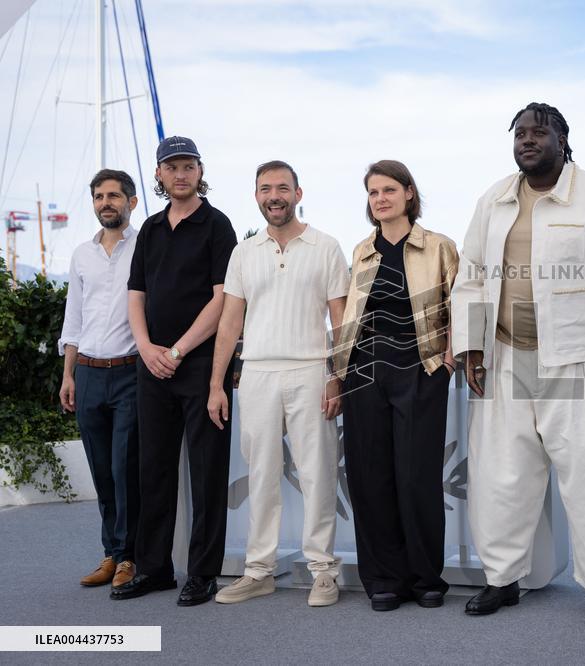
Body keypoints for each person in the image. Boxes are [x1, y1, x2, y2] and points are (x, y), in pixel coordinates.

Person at [450, 102, 585, 625]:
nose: (527, 140)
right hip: (507, 359)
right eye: (519, 133)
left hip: (582, 362)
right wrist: (471, 344)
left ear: (563, 141)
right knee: (502, 474)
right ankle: (502, 579)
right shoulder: (493, 200)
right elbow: (471, 275)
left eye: (539, 133)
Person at [208, 160, 349, 607]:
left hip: (311, 370)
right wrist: (216, 385)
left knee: (318, 474)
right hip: (257, 374)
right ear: (256, 197)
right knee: (262, 476)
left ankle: (323, 571)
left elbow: (341, 320)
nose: (275, 196)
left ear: (298, 193)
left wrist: (337, 377)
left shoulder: (326, 246)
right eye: (266, 189)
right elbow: (229, 323)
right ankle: (259, 571)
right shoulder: (243, 252)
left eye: (283, 188)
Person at [111, 136, 237, 606]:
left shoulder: (217, 225)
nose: (180, 174)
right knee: (154, 470)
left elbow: (221, 298)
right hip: (153, 366)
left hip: (202, 364)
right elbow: (136, 295)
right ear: (159, 176)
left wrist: (179, 350)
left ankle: (202, 573)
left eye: (188, 166)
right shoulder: (149, 229)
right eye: (172, 167)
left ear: (200, 171)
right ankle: (154, 569)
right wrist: (145, 348)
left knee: (206, 472)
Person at [332, 160, 458, 612]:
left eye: (388, 190)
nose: (380, 199)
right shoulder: (362, 250)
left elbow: (457, 303)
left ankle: (426, 578)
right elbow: (350, 317)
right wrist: (338, 372)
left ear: (408, 193)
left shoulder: (439, 246)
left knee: (417, 476)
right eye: (372, 192)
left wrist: (451, 354)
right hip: (365, 371)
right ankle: (384, 578)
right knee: (369, 476)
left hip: (420, 369)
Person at [58, 169, 142, 590]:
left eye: (113, 195)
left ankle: (130, 557)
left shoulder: (145, 247)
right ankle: (111, 553)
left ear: (132, 201)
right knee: (102, 471)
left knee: (126, 467)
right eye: (98, 196)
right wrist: (68, 374)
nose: (105, 202)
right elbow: (74, 316)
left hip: (130, 372)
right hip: (88, 373)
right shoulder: (81, 254)